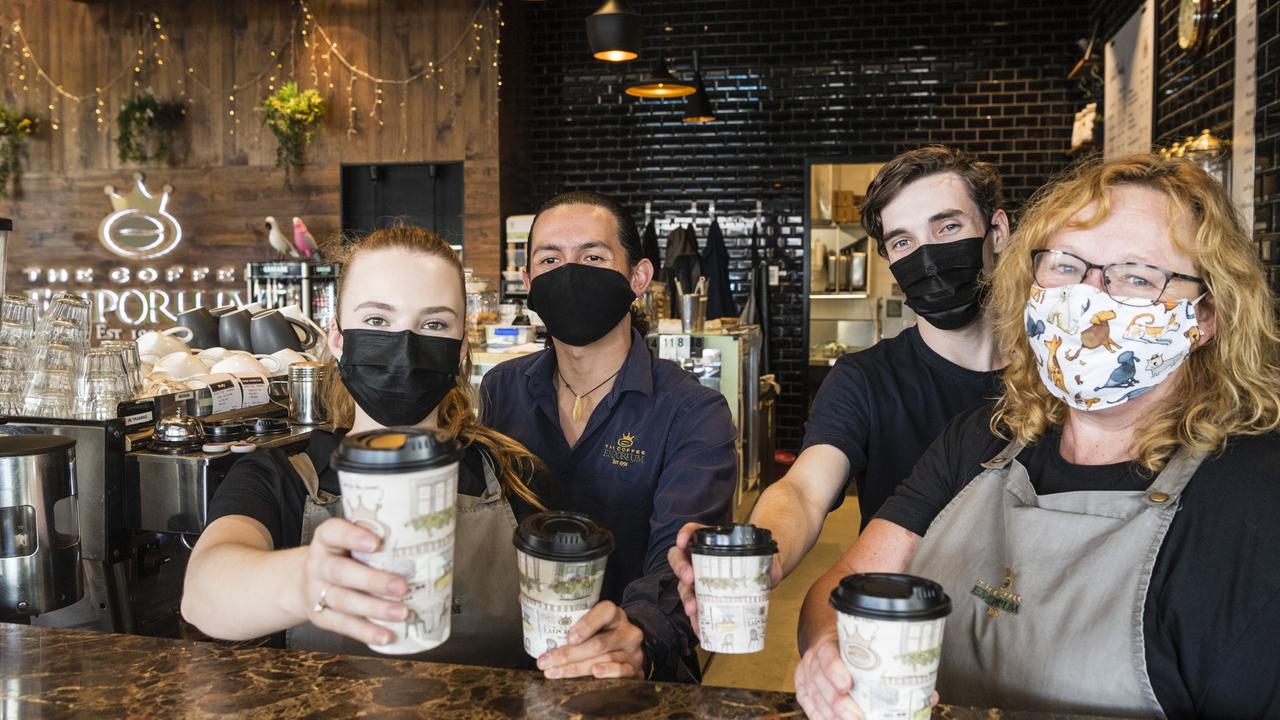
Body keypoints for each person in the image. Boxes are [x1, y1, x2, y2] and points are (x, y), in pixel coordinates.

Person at [794, 154, 1280, 719]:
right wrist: (830, 649)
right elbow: (851, 578)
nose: (1089, 297)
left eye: (1136, 277)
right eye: (1068, 267)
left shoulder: (1252, 500)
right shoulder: (985, 436)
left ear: (1206, 318)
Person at [669, 146, 1008, 620]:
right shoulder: (865, 379)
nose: (927, 257)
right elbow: (804, 490)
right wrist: (764, 552)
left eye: (947, 227)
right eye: (903, 242)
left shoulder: (1061, 376)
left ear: (997, 231)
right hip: (901, 629)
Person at [182, 227, 546, 667]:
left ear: (459, 347)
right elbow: (204, 592)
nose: (405, 345)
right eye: (377, 321)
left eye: (433, 324)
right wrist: (308, 581)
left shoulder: (511, 475)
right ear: (337, 339)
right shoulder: (280, 477)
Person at [480, 191, 737, 682]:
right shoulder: (501, 390)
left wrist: (635, 631)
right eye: (550, 259)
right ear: (529, 282)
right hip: (513, 668)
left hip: (636, 675)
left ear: (637, 278)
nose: (570, 272)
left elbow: (682, 556)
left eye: (593, 257)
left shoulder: (692, 411)